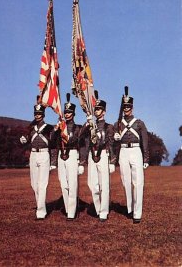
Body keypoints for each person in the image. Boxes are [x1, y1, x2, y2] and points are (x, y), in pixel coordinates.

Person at [114, 87, 149, 224]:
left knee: (138, 182)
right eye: (125, 107)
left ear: (132, 108)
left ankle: (137, 213)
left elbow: (145, 141)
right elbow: (113, 141)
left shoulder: (139, 123)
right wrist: (117, 137)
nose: (126, 109)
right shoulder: (118, 124)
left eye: (128, 107)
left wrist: (146, 158)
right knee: (126, 181)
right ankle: (130, 208)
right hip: (123, 152)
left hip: (135, 151)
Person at [80, 94, 116, 222]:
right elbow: (81, 138)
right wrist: (87, 122)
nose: (96, 111)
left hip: (103, 155)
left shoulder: (109, 127)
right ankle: (99, 207)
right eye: (95, 109)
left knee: (104, 185)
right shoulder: (90, 125)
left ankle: (104, 212)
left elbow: (111, 143)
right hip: (91, 155)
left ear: (104, 112)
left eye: (99, 109)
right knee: (92, 185)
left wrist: (112, 160)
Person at [20, 103, 56, 220]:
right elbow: (26, 140)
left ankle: (41, 212)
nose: (38, 115)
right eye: (36, 114)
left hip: (44, 154)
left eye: (40, 114)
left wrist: (53, 162)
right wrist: (23, 140)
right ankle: (41, 206)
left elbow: (54, 144)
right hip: (33, 154)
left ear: (43, 115)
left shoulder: (49, 128)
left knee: (42, 184)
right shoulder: (30, 128)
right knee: (34, 184)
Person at [52, 93, 84, 220]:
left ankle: (72, 211)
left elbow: (78, 142)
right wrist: (56, 129)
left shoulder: (77, 128)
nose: (67, 114)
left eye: (69, 112)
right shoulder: (60, 127)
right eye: (66, 112)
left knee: (72, 184)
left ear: (73, 114)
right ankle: (67, 207)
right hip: (61, 155)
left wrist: (81, 162)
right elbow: (52, 141)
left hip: (72, 154)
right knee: (63, 184)